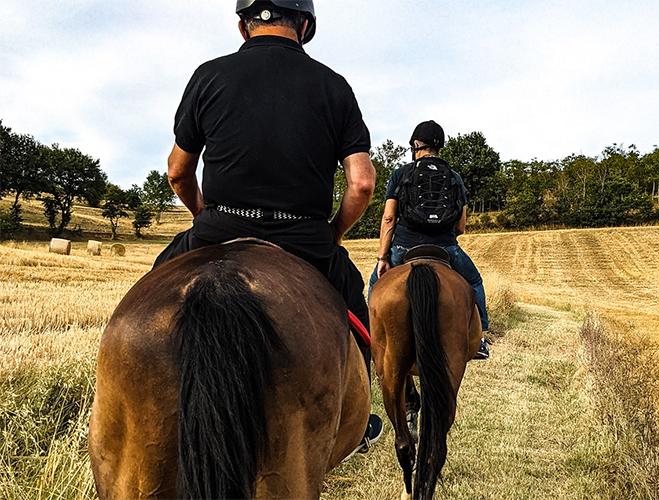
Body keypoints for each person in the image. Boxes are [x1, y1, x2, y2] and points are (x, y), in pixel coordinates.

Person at [153, 0, 382, 452]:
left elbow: (178, 171)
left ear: (243, 24)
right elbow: (361, 184)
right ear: (304, 23)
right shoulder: (334, 87)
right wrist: (331, 237)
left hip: (219, 229)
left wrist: (205, 218)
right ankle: (357, 421)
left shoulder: (208, 76)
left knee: (151, 293)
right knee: (360, 324)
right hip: (305, 238)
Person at [368, 120, 492, 360]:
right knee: (475, 281)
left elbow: (389, 218)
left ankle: (370, 337)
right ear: (439, 147)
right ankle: (480, 339)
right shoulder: (454, 177)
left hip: (403, 246)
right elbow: (461, 226)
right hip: (445, 248)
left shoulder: (400, 174)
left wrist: (384, 257)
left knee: (375, 285)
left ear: (416, 144)